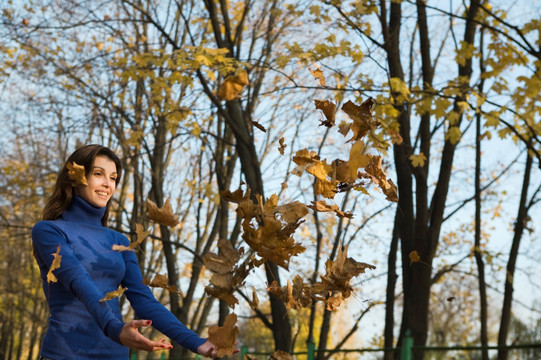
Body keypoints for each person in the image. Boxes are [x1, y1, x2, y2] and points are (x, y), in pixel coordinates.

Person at [32, 144, 218, 359]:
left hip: (115, 354)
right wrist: (114, 328)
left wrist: (198, 343)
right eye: (98, 174)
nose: (107, 184)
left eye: (113, 178)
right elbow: (78, 280)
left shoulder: (119, 241)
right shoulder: (49, 230)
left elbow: (143, 300)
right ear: (75, 178)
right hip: (64, 354)